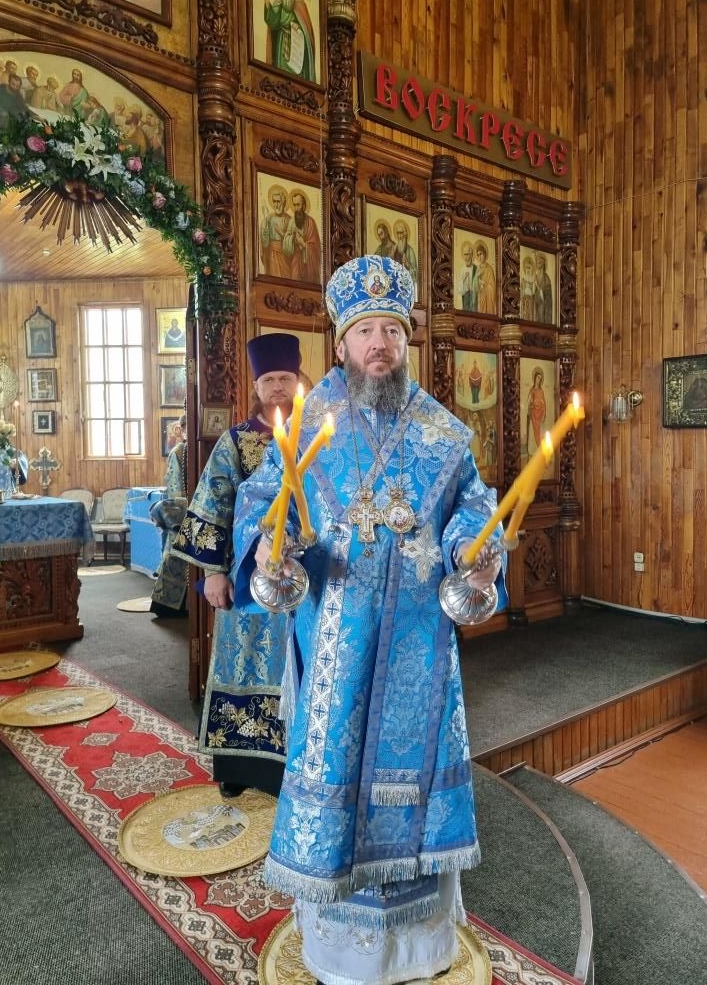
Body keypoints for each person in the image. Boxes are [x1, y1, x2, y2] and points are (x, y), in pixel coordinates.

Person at [231, 255, 507, 985]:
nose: (378, 343)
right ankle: (340, 954)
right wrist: (270, 549)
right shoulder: (308, 424)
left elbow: (472, 511)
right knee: (335, 772)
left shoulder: (443, 434)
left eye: (390, 329)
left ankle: (418, 950)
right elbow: (261, 506)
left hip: (420, 649)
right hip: (335, 643)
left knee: (411, 786)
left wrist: (476, 554)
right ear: (342, 342)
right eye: (365, 331)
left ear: (405, 338)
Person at [172, 333, 302, 799]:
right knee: (244, 663)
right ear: (257, 386)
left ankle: (294, 769)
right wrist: (212, 572)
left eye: (285, 378)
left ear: (297, 380)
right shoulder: (236, 441)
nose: (278, 387)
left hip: (304, 582)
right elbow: (213, 504)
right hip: (247, 581)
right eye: (269, 380)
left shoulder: (318, 436)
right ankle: (239, 768)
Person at [150, 413, 190, 618]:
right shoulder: (187, 451)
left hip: (182, 512)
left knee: (175, 557)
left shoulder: (179, 451)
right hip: (194, 511)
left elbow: (175, 489)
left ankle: (171, 607)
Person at [259, 0, 316, 82]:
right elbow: (273, 21)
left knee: (296, 77)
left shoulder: (299, 3)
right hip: (282, 42)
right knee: (280, 74)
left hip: (296, 45)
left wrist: (297, 27)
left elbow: (307, 34)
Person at [286, 189, 322, 283]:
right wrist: (293, 239)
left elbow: (316, 247)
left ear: (304, 206)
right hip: (296, 260)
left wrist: (304, 244)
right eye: (294, 205)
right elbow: (286, 241)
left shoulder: (311, 222)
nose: (296, 208)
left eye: (298, 205)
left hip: (308, 263)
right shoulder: (291, 222)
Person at [260, 186, 295, 280]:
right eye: (274, 201)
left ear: (283, 202)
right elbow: (265, 242)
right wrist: (266, 221)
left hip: (285, 257)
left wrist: (281, 234)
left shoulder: (290, 220)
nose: (276, 205)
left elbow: (293, 245)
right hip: (272, 256)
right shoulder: (269, 218)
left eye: (278, 201)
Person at [471, 239, 497, 314]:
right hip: (480, 297)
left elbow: (493, 287)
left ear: (485, 254)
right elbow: (474, 286)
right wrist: (477, 280)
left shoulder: (489, 268)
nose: (480, 257)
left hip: (488, 299)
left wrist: (485, 284)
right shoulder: (478, 269)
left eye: (481, 254)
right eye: (478, 255)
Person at [526, 366, 547, 452]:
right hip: (533, 415)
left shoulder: (541, 391)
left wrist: (543, 412)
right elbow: (528, 403)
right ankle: (532, 451)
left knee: (540, 433)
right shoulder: (532, 390)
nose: (539, 380)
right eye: (538, 377)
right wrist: (532, 404)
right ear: (535, 378)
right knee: (532, 433)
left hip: (540, 414)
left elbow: (544, 403)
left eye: (540, 378)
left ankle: (540, 450)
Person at [393, 219, 419, 285]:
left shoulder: (410, 251)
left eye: (401, 233)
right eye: (397, 233)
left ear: (405, 234)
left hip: (406, 283)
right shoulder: (394, 249)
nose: (399, 236)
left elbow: (415, 273)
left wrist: (408, 265)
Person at [457, 239, 478, 310]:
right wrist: (463, 279)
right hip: (466, 297)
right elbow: (459, 288)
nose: (466, 257)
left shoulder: (476, 268)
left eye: (467, 254)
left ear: (471, 255)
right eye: (464, 255)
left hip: (474, 298)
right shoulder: (462, 269)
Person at [533, 253, 553, 323]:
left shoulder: (546, 278)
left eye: (539, 262)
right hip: (534, 303)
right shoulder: (535, 276)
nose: (537, 264)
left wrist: (540, 290)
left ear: (543, 264)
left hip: (542, 304)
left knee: (541, 319)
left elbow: (548, 297)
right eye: (537, 262)